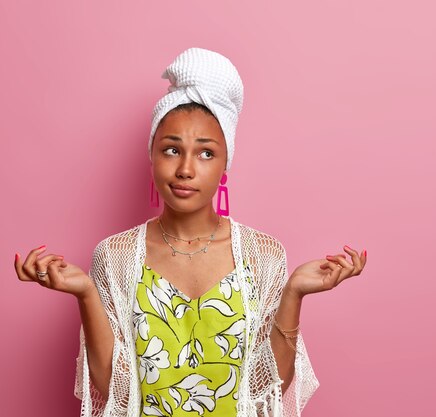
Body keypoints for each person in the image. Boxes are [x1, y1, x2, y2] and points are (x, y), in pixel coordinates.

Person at [13, 48, 367, 417]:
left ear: (225, 164)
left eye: (205, 153)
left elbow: (265, 389)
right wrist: (85, 293)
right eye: (171, 150)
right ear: (151, 156)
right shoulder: (115, 255)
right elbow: (114, 390)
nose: (185, 169)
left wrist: (294, 293)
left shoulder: (262, 254)